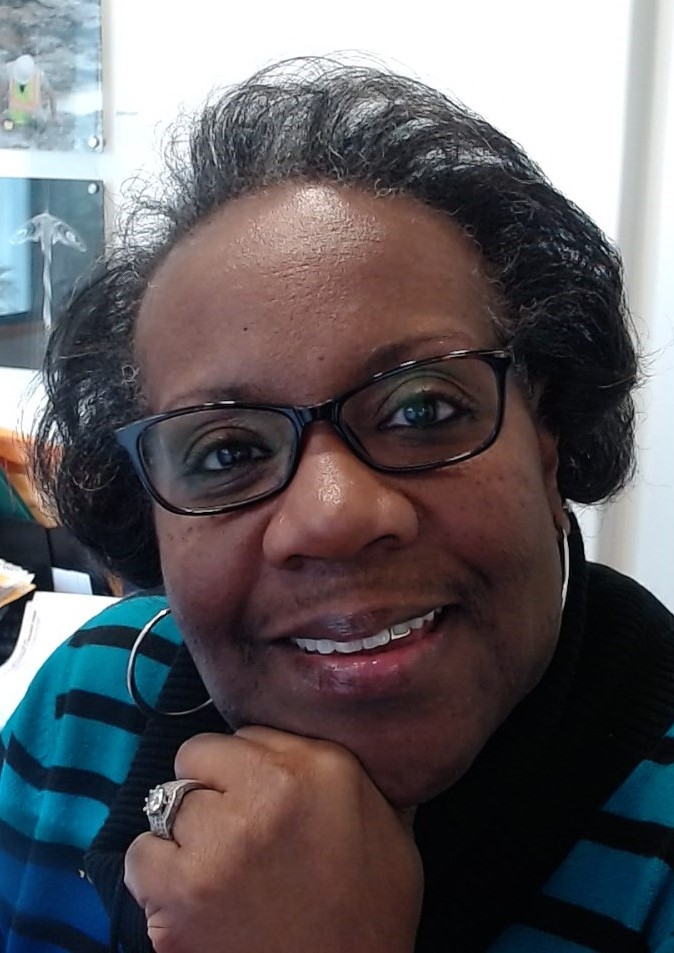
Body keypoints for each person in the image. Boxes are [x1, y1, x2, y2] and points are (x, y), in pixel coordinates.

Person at [1, 56, 673, 953]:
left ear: (547, 433)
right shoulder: (77, 713)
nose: (333, 513)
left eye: (424, 409)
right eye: (228, 450)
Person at [0, 53, 57, 130]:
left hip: (32, 117)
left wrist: (55, 116)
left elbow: (52, 95)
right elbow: (1, 94)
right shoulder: (8, 71)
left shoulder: (39, 76)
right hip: (15, 116)